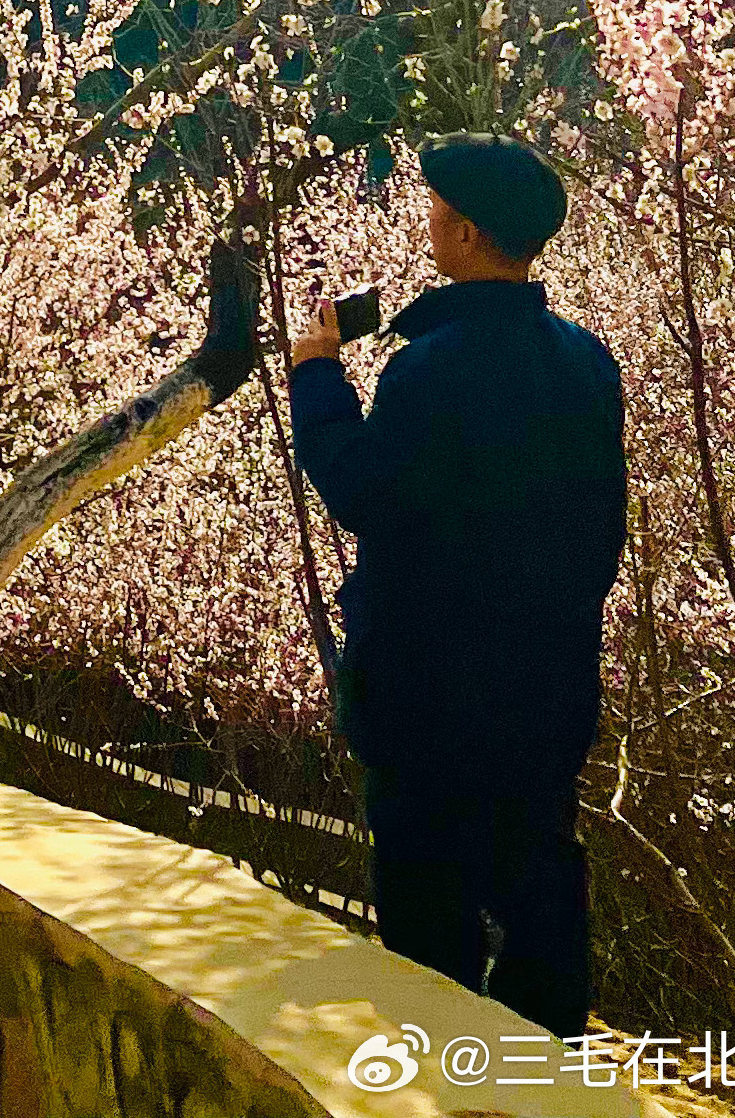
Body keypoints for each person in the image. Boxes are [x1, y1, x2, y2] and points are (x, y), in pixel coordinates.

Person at [287, 134, 627, 1039]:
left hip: (427, 697)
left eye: (437, 211)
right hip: (548, 687)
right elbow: (601, 533)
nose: (428, 222)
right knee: (541, 901)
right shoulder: (585, 362)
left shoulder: (428, 367)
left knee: (426, 924)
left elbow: (365, 492)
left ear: (468, 233)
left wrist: (316, 377)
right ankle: (548, 1086)